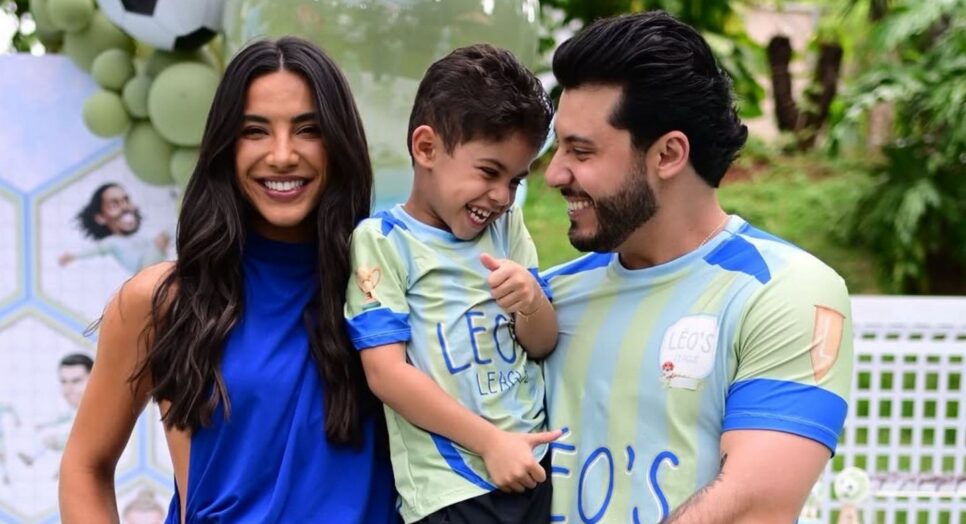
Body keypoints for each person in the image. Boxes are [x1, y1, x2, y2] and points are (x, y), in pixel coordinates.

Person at [59, 37, 396, 523]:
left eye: (307, 130)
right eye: (255, 131)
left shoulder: (387, 285)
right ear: (225, 146)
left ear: (338, 142)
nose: (282, 155)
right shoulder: (162, 300)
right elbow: (85, 466)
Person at [541, 11, 854, 523]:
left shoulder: (785, 291)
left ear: (667, 154)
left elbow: (754, 506)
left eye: (581, 150)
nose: (554, 173)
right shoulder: (545, 300)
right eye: (558, 147)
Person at [344, 44, 559, 524]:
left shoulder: (507, 231)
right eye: (489, 171)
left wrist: (530, 302)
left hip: (533, 466)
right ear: (426, 148)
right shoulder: (383, 243)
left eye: (516, 181)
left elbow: (542, 344)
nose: (501, 196)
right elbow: (386, 374)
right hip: (452, 490)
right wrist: (490, 443)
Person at [58, 183, 170, 274]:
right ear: (100, 218)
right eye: (114, 205)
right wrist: (73, 257)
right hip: (144, 270)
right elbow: (95, 250)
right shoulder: (113, 242)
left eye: (126, 201)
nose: (125, 207)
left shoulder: (141, 237)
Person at [18, 353, 92, 472]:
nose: (68, 389)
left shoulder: (108, 414)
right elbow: (62, 418)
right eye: (63, 382)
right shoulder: (74, 412)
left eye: (76, 381)